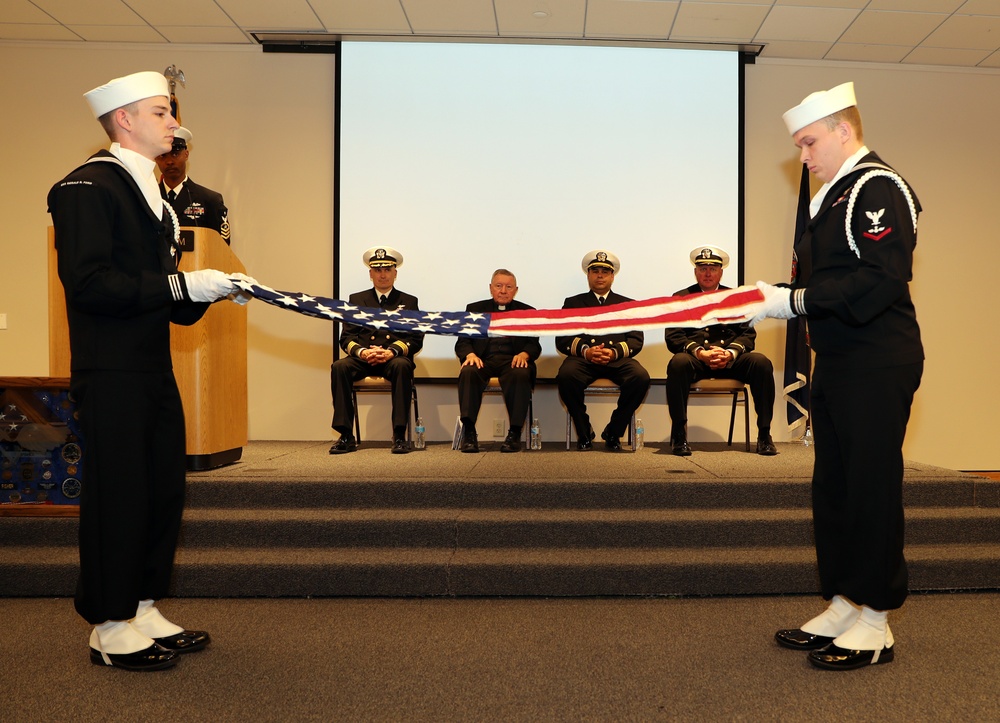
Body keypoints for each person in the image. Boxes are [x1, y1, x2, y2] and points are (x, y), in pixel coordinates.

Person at [48, 71, 243, 671]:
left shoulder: (153, 193)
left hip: (151, 366)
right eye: (161, 112)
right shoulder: (87, 186)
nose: (175, 124)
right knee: (119, 494)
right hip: (110, 371)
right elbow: (88, 285)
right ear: (125, 120)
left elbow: (168, 306)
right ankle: (107, 624)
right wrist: (183, 282)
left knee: (162, 488)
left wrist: (212, 291)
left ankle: (142, 604)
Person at [751, 82, 923, 671]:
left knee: (871, 488)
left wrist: (792, 302)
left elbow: (880, 279)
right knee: (835, 489)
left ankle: (876, 620)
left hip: (877, 360)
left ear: (842, 131)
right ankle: (845, 601)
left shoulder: (876, 187)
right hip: (840, 361)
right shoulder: (835, 193)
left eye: (808, 142)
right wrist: (781, 298)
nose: (803, 156)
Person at [665, 246, 777, 456]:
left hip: (730, 360)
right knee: (678, 362)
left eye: (713, 268)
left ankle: (764, 434)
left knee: (761, 362)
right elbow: (673, 336)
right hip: (697, 361)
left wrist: (729, 353)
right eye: (703, 268)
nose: (708, 273)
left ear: (721, 272)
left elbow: (748, 335)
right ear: (695, 271)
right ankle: (679, 435)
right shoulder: (680, 298)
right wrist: (700, 353)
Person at [330, 247, 423, 455]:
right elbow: (346, 338)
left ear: (395, 273)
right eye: (377, 270)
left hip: (393, 358)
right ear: (370, 274)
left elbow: (415, 339)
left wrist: (391, 352)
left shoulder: (409, 301)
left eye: (388, 269)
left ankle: (399, 435)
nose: (383, 274)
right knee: (339, 367)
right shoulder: (356, 300)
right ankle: (346, 435)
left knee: (402, 365)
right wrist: (363, 352)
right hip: (365, 357)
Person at [556, 250, 650, 451]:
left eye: (604, 272)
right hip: (584, 359)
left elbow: (636, 340)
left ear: (612, 277)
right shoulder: (573, 303)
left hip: (616, 359)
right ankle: (584, 432)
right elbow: (562, 338)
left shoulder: (628, 304)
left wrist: (614, 352)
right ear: (588, 275)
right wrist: (586, 351)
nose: (600, 275)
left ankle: (614, 432)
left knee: (640, 377)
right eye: (595, 271)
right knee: (566, 375)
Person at [455, 269, 542, 453]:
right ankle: (469, 433)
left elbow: (534, 345)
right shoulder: (475, 309)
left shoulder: (527, 312)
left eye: (508, 287)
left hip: (512, 361)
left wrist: (524, 354)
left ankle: (515, 434)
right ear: (490, 288)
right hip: (483, 360)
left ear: (515, 290)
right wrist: (470, 355)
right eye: (499, 286)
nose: (503, 290)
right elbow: (463, 342)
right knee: (469, 371)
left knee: (521, 372)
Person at [156, 126, 232, 244]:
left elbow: (221, 248)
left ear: (186, 155)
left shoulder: (209, 200)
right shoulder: (148, 197)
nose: (169, 161)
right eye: (163, 155)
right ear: (156, 158)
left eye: (175, 154)